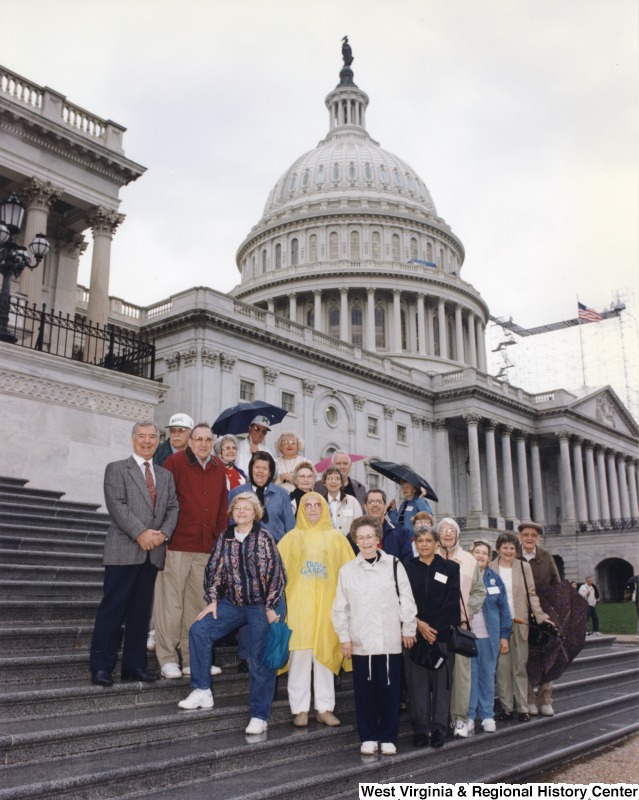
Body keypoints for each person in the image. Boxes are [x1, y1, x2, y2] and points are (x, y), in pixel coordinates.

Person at [178, 492, 286, 735]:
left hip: (261, 605)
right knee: (199, 630)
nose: (242, 512)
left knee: (258, 658)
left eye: (247, 508)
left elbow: (276, 575)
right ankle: (202, 690)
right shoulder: (225, 537)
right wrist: (213, 600)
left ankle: (260, 715)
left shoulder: (264, 537)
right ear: (232, 512)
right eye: (238, 508)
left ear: (255, 513)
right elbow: (214, 569)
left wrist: (270, 607)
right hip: (233, 603)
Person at [89, 421, 179, 687]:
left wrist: (162, 535)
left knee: (141, 613)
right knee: (112, 610)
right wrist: (141, 534)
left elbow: (173, 507)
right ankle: (101, 667)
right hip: (124, 549)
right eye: (142, 436)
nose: (147, 441)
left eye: (152, 436)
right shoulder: (116, 469)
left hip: (152, 554)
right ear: (132, 440)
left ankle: (134, 666)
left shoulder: (165, 475)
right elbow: (117, 505)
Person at [332, 515, 417, 755]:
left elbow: (406, 599)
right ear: (355, 540)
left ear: (378, 538)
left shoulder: (393, 564)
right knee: (365, 693)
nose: (366, 541)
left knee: (390, 692)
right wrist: (344, 637)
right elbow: (340, 607)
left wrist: (408, 628)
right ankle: (368, 736)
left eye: (370, 536)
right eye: (361, 537)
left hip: (390, 639)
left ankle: (388, 736)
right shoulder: (348, 570)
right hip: (361, 641)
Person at [155, 423, 228, 679]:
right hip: (177, 545)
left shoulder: (219, 469)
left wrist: (219, 543)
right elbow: (161, 502)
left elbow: (222, 508)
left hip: (206, 549)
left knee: (197, 606)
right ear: (190, 441)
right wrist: (163, 536)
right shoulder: (175, 463)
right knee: (171, 605)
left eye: (208, 439)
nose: (204, 444)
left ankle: (190, 658)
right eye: (199, 439)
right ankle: (167, 658)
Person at [278, 493, 354, 728]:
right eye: (307, 505)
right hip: (298, 607)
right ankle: (299, 709)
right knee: (299, 658)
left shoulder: (337, 538)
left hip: (327, 607)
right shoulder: (290, 538)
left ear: (324, 509)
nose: (312, 509)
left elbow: (349, 573)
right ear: (300, 509)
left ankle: (324, 708)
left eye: (316, 505)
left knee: (324, 658)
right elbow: (276, 573)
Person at [403, 524, 460, 749]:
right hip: (415, 635)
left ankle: (438, 728)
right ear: (415, 545)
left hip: (442, 635)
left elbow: (451, 601)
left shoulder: (450, 568)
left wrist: (433, 630)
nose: (424, 545)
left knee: (442, 685)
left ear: (437, 543)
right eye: (420, 541)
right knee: (416, 686)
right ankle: (420, 729)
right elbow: (402, 599)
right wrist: (419, 625)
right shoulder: (407, 567)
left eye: (428, 540)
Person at [490, 532, 553, 722]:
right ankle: (507, 707)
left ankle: (523, 707)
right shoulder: (490, 568)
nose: (508, 551)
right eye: (505, 547)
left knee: (519, 667)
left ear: (516, 550)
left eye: (511, 548)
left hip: (520, 622)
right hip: (499, 624)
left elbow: (531, 594)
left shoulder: (523, 567)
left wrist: (540, 615)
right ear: (498, 549)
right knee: (502, 668)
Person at [437, 517, 487, 738]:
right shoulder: (430, 556)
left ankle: (459, 718)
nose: (447, 533)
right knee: (437, 673)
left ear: (457, 534)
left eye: (452, 530)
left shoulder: (468, 560)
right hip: (435, 625)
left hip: (459, 625)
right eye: (443, 530)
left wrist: (468, 612)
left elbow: (479, 591)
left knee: (462, 674)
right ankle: (438, 717)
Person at [517, 520, 561, 717]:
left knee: (547, 659)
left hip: (544, 615)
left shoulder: (545, 557)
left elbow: (556, 585)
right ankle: (528, 699)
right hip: (521, 616)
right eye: (525, 534)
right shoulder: (513, 555)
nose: (529, 538)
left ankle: (546, 699)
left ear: (538, 538)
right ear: (520, 536)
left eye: (533, 535)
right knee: (525, 659)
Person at [467, 540, 511, 734]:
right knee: (470, 677)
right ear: (471, 554)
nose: (481, 556)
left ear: (489, 556)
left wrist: (504, 636)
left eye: (485, 553)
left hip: (489, 638)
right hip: (468, 637)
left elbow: (504, 610)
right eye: (477, 552)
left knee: (487, 676)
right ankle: (468, 715)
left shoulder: (495, 579)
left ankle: (487, 715)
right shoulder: (464, 576)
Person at [347, 489, 413, 564]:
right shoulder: (354, 534)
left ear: (385, 506)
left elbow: (408, 563)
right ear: (365, 507)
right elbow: (350, 562)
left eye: (379, 501)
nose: (375, 505)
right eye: (371, 502)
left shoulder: (402, 533)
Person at [322, 466, 363, 536]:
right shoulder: (320, 503)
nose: (333, 482)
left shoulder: (352, 501)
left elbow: (360, 525)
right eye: (329, 478)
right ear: (324, 483)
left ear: (341, 483)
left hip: (348, 544)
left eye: (337, 479)